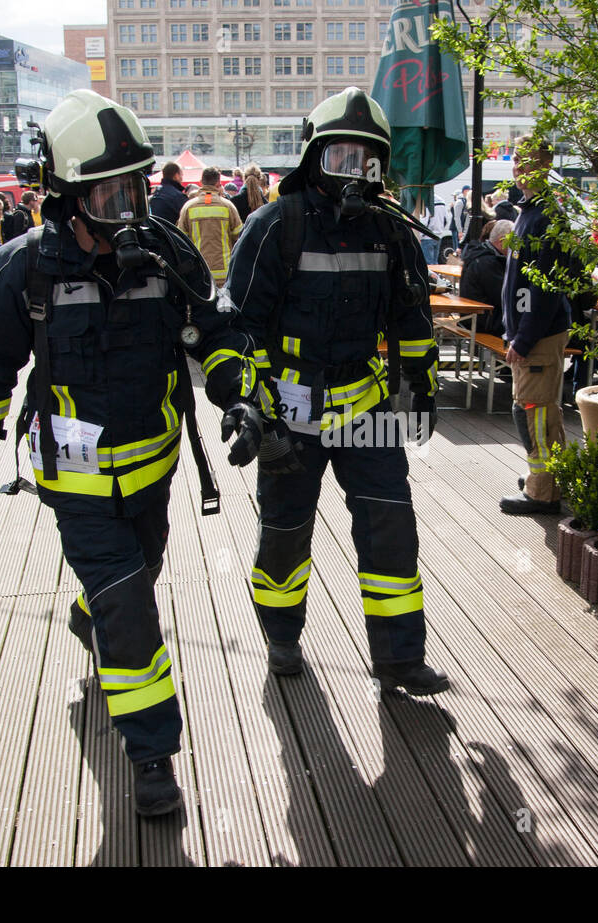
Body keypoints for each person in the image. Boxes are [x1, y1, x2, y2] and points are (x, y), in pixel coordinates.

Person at [0, 90, 259, 817]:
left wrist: (237, 394)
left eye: (136, 186)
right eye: (109, 191)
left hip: (154, 472)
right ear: (66, 193)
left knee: (137, 576)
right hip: (77, 483)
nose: (128, 205)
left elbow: (212, 333)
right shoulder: (22, 269)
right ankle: (152, 754)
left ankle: (90, 613)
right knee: (131, 607)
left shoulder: (167, 249)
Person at [221, 86, 450, 696]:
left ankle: (400, 658)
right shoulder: (274, 226)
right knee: (286, 531)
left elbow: (412, 320)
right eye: (340, 157)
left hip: (365, 412)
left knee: (391, 527)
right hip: (287, 415)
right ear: (313, 157)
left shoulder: (391, 234)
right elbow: (238, 324)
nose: (354, 172)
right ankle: (282, 635)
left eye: (366, 160)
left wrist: (423, 389)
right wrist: (246, 403)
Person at [499, 135, 572, 516]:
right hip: (532, 334)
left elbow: (545, 290)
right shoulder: (531, 211)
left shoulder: (545, 217)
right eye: (516, 162)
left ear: (545, 166)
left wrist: (523, 339)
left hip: (539, 336)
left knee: (534, 412)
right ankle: (544, 479)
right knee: (539, 410)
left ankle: (542, 493)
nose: (519, 170)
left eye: (528, 162)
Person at [178, 166, 242, 286]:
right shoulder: (228, 206)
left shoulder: (188, 207)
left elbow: (181, 240)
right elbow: (239, 238)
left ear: (201, 182)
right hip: (225, 274)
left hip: (200, 272)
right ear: (218, 182)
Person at [459, 218, 511, 336]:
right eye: (513, 241)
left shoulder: (480, 254)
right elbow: (503, 296)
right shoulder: (487, 262)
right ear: (502, 241)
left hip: (474, 317)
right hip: (484, 321)